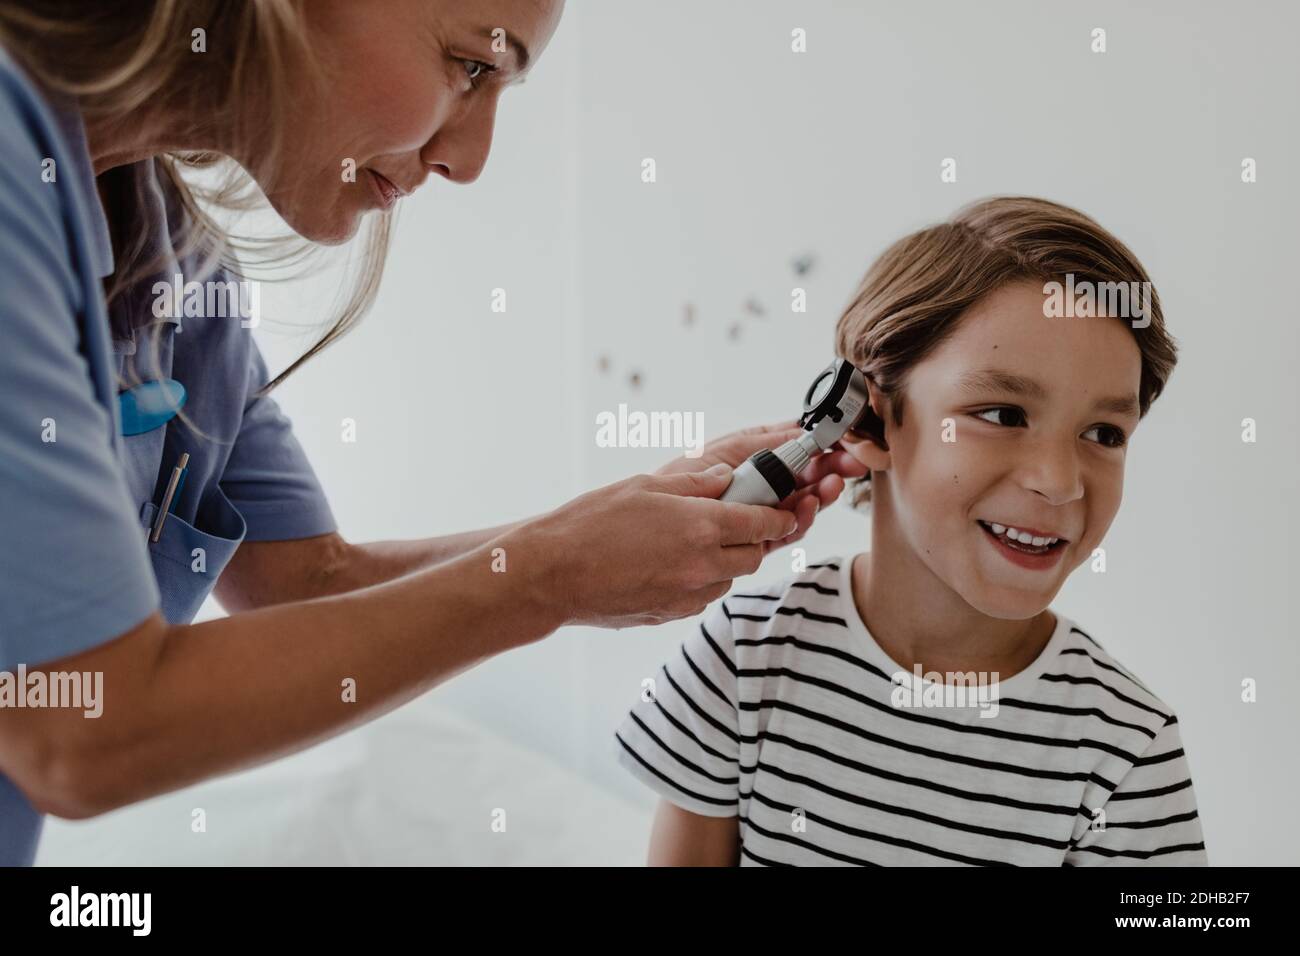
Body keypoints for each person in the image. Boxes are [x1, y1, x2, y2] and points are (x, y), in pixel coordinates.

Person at [0, 0, 866, 866]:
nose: (471, 159)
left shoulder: (181, 275)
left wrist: (607, 532)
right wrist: (552, 575)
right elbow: (76, 734)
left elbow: (309, 583)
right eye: (471, 67)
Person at [615, 197, 1209, 866]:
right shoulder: (745, 657)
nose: (1061, 480)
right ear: (866, 424)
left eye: (1104, 434)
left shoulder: (1128, 751)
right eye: (1004, 413)